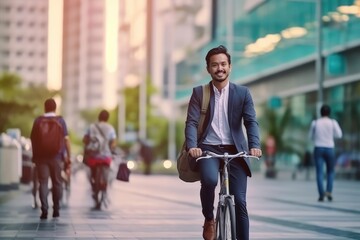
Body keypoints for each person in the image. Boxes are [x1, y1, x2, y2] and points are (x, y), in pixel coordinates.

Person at [185, 45, 262, 240]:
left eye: (223, 64)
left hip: (235, 150)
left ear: (229, 66)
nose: (219, 68)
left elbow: (251, 121)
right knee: (210, 180)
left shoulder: (242, 93)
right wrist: (192, 146)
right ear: (208, 68)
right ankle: (209, 218)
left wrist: (255, 145)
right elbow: (192, 122)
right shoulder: (199, 93)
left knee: (241, 202)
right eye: (214, 65)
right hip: (208, 149)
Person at [30, 98, 71, 219]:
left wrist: (35, 156)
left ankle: (44, 210)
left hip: (41, 158)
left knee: (43, 182)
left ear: (45, 107)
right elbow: (66, 140)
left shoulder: (38, 121)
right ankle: (56, 209)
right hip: (57, 157)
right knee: (57, 182)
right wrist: (68, 156)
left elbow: (33, 139)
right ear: (55, 108)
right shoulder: (60, 121)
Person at [82, 110, 116, 208]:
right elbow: (113, 142)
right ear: (107, 118)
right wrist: (111, 149)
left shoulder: (92, 127)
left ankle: (94, 186)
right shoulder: (110, 128)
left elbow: (84, 139)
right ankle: (104, 190)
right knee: (106, 175)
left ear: (99, 117)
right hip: (106, 156)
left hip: (94, 156)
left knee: (92, 173)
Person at [308, 104, 342, 202]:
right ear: (329, 113)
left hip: (318, 148)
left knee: (319, 172)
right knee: (330, 171)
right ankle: (329, 192)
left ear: (320, 112)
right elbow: (339, 134)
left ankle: (321, 194)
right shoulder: (333, 122)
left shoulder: (315, 123)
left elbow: (310, 136)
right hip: (330, 148)